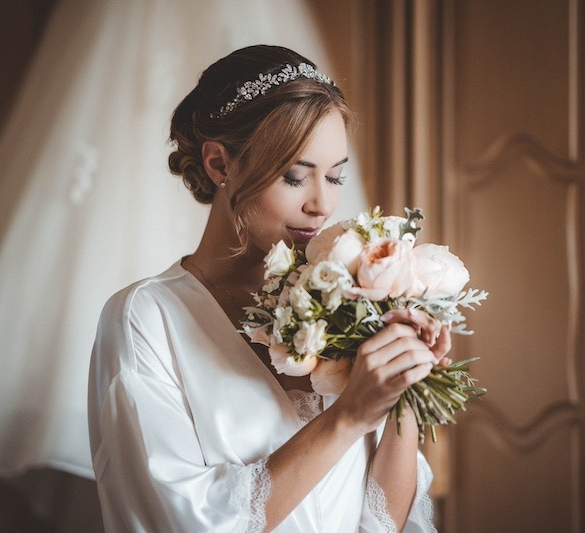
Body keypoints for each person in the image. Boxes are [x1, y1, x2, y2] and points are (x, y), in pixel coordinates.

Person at [88, 44, 450, 532]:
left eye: (337, 175)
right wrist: (347, 416)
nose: (322, 204)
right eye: (295, 176)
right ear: (219, 165)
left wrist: (400, 388)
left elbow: (387, 523)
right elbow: (181, 524)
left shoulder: (350, 303)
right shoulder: (146, 319)